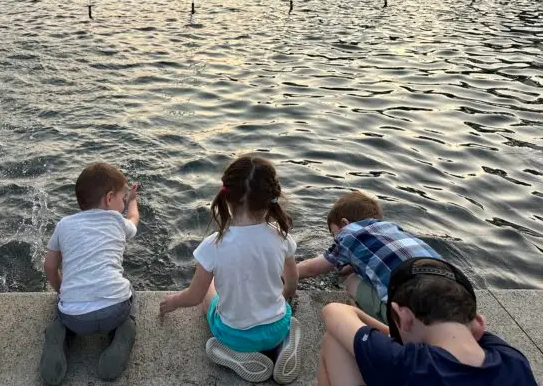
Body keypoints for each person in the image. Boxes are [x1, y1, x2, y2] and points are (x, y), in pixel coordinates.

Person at [159, 156, 301, 384]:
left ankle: (236, 354)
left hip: (235, 336)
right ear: (270, 198)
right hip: (277, 326)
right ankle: (282, 346)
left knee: (208, 294)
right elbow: (292, 283)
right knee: (278, 306)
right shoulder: (281, 237)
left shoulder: (213, 245)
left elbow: (194, 297)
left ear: (226, 196)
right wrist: (282, 299)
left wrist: (174, 302)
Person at [318, 257, 537, 386]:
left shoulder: (407, 363)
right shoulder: (514, 361)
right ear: (478, 324)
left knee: (335, 341)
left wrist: (386, 336)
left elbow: (334, 311)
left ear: (404, 317)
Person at [39, 163, 140, 385]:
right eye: (122, 199)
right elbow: (133, 219)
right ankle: (124, 332)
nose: (123, 203)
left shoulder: (64, 224)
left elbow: (49, 266)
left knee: (63, 303)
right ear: (109, 197)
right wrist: (133, 201)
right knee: (130, 291)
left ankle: (59, 335)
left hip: (74, 318)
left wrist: (61, 289)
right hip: (115, 310)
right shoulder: (117, 221)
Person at [297, 190, 440, 324]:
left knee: (351, 281)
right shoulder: (392, 228)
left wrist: (283, 273)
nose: (336, 238)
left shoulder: (347, 234)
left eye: (334, 234)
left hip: (411, 320)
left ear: (344, 223)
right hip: (448, 298)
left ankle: (369, 319)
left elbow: (311, 269)